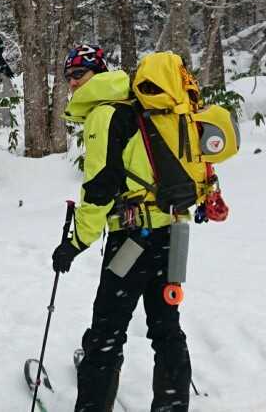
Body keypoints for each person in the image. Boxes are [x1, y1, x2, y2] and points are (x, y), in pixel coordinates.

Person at [52, 44, 194, 412]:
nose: (73, 82)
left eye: (79, 74)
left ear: (98, 73)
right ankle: (172, 405)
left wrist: (75, 242)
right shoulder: (139, 108)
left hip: (133, 241)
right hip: (171, 233)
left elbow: (100, 187)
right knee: (166, 328)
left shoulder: (105, 114)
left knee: (107, 332)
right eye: (68, 76)